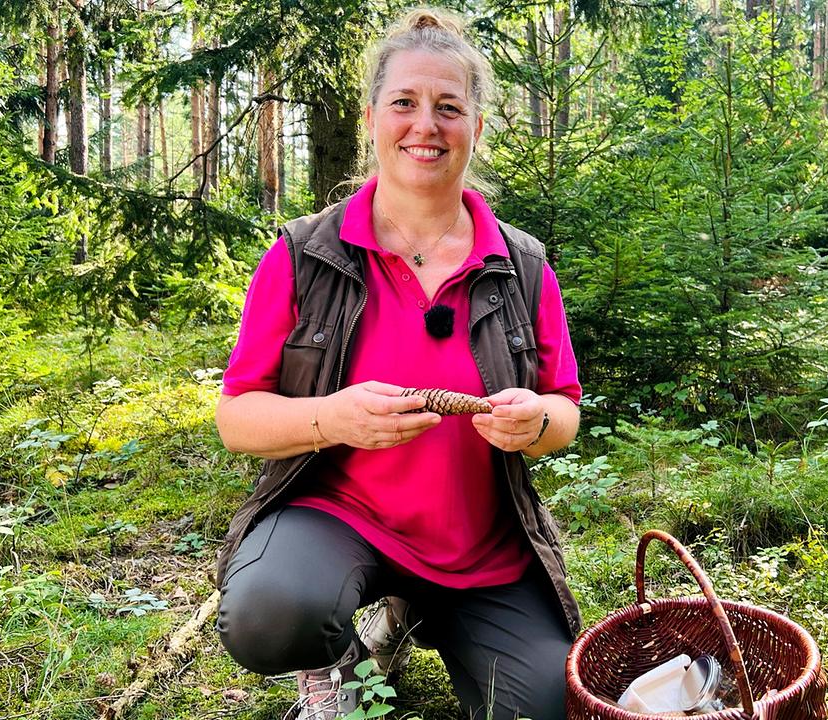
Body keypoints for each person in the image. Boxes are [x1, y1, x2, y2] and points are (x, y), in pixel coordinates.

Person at [212, 9, 583, 720]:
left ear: (476, 126)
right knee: (270, 614)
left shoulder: (522, 265)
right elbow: (237, 418)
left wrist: (535, 420)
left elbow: (563, 410)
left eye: (450, 107)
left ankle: (412, 617)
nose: (426, 125)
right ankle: (340, 672)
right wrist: (332, 416)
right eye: (405, 103)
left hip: (483, 551)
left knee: (547, 706)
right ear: (371, 118)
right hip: (339, 519)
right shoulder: (303, 256)